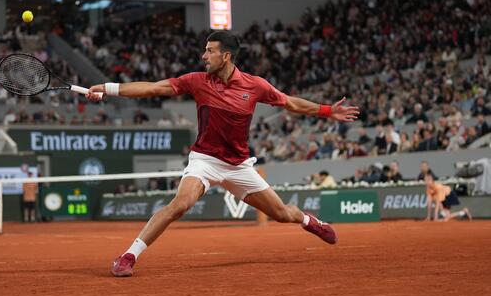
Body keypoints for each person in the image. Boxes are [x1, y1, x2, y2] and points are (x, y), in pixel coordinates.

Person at [86, 31, 360, 277]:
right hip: (204, 160)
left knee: (282, 214)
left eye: (210, 51)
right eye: (205, 50)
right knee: (180, 204)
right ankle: (129, 256)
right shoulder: (196, 81)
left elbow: (289, 102)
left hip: (239, 166)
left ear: (226, 55)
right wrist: (108, 89)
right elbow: (153, 88)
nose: (204, 56)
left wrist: (327, 111)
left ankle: (309, 221)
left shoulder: (255, 85)